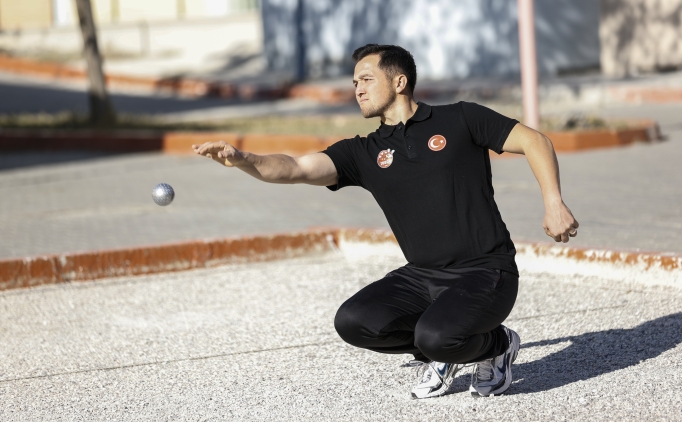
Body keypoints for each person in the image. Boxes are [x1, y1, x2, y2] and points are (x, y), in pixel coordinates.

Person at [192, 44, 579, 399]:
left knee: (435, 336)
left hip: (485, 271)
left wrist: (553, 202)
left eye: (366, 79)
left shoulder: (460, 118)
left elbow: (535, 141)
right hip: (422, 276)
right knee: (354, 321)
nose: (358, 89)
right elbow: (295, 168)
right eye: (354, 83)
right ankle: (444, 351)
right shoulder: (363, 152)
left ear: (399, 82)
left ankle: (497, 345)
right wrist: (243, 159)